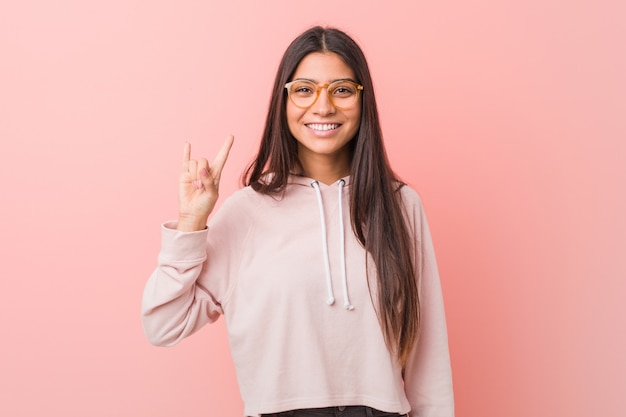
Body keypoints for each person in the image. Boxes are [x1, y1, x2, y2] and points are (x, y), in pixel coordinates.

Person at [142, 26, 454, 417]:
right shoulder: (246, 212)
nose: (322, 107)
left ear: (363, 99)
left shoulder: (400, 205)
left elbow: (429, 359)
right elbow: (162, 324)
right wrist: (190, 223)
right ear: (283, 100)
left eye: (341, 89)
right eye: (304, 89)